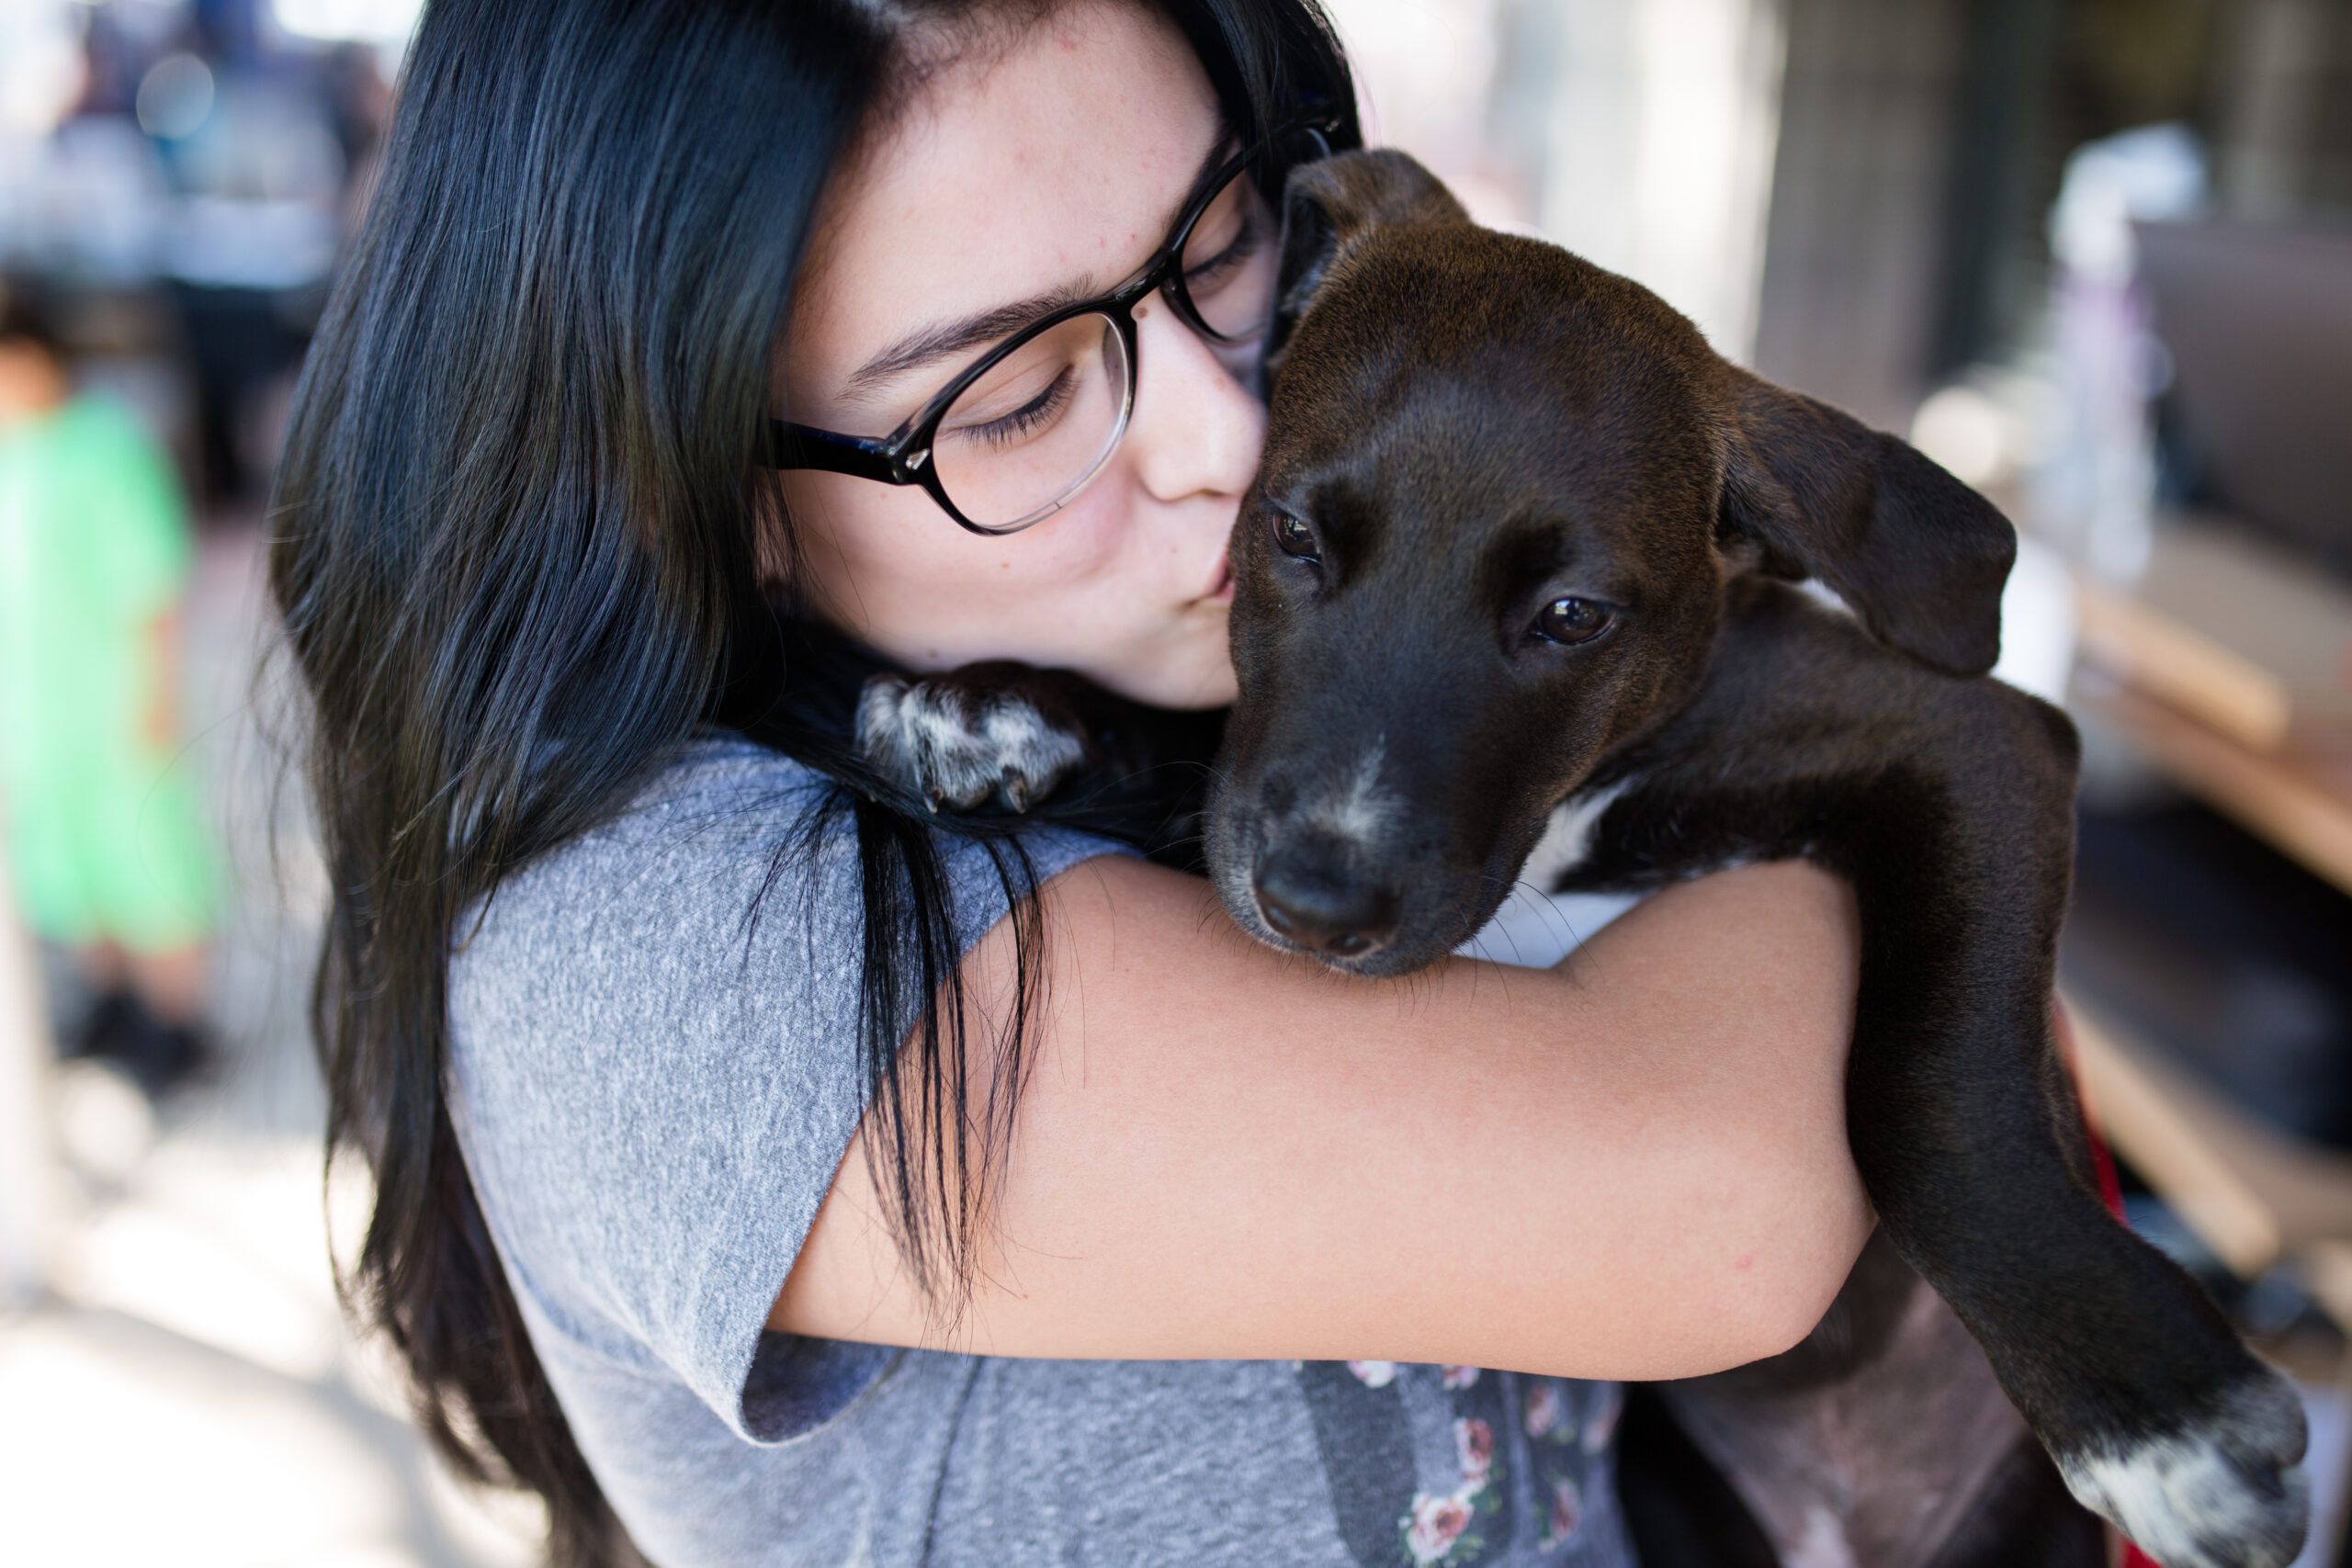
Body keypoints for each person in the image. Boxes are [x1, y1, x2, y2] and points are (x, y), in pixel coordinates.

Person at [266, 3, 1870, 1564]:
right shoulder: (650, 939)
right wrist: (1845, 770)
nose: (1225, 447)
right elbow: (1726, 1208)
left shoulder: (1208, 701)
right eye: (1021, 395)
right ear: (705, 492)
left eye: (1225, 251)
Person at [0, 279, 219, 1099]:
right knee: (67, 865)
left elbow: (149, 584)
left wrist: (154, 694)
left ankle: (179, 1020)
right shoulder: (12, 454)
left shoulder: (107, 446)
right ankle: (111, 1001)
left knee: (148, 864)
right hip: (35, 715)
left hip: (116, 709)